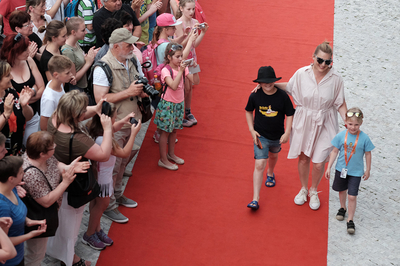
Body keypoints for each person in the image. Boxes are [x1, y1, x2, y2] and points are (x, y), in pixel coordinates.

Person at [269, 41, 348, 210]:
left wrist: (347, 120)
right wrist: (269, 84)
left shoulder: (336, 79)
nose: (323, 65)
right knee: (304, 158)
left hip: (325, 121)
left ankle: (313, 190)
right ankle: (303, 188)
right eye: (320, 60)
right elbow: (289, 88)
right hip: (304, 120)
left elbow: (340, 103)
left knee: (319, 162)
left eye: (328, 62)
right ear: (313, 58)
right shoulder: (301, 73)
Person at [45, 90, 112, 266]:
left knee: (60, 222)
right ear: (76, 115)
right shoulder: (78, 139)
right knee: (71, 227)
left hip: (54, 178)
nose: (86, 112)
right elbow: (104, 154)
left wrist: (96, 108)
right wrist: (108, 128)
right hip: (73, 186)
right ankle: (71, 260)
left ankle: (56, 251)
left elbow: (78, 114)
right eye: (84, 110)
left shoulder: (55, 118)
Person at [93, 28, 144, 223]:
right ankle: (109, 205)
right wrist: (128, 91)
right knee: (111, 167)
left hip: (131, 118)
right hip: (115, 124)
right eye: (128, 44)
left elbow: (139, 79)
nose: (133, 47)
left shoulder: (131, 59)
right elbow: (101, 99)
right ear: (115, 46)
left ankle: (116, 194)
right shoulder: (102, 67)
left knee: (123, 162)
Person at [22, 131, 90, 266]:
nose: (55, 146)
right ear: (42, 153)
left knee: (39, 251)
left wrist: (68, 168)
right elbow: (46, 201)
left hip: (50, 212)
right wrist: (65, 182)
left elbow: (56, 164)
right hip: (39, 218)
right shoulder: (31, 173)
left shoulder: (43, 157)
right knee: (35, 254)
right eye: (52, 147)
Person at [84, 104, 141, 250]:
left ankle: (96, 229)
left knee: (96, 205)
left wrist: (124, 121)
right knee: (102, 206)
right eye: (116, 116)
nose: (117, 119)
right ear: (109, 119)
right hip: (103, 179)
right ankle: (90, 234)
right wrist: (133, 134)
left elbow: (112, 128)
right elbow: (124, 153)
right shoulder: (106, 141)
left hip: (99, 176)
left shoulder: (96, 129)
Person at [245, 66, 295, 210]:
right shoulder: (255, 95)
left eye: (270, 81)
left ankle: (271, 173)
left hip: (277, 136)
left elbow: (290, 113)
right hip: (261, 136)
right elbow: (248, 111)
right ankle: (255, 199)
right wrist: (251, 130)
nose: (267, 84)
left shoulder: (282, 96)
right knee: (260, 164)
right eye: (264, 82)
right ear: (259, 83)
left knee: (273, 156)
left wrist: (287, 132)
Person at [325, 107, 374, 234]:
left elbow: (368, 154)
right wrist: (329, 167)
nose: (353, 127)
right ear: (345, 121)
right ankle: (342, 207)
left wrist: (368, 169)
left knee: (352, 196)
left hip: (356, 172)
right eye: (350, 124)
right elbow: (335, 151)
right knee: (342, 190)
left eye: (356, 124)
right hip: (341, 169)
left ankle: (350, 220)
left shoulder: (364, 138)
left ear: (361, 123)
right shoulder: (341, 135)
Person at [154, 42, 200, 170]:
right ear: (169, 57)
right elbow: (173, 85)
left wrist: (195, 69)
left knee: (174, 130)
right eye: (178, 57)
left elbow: (196, 81)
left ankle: (171, 154)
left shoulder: (183, 68)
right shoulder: (165, 70)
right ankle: (162, 159)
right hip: (168, 104)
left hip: (179, 103)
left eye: (181, 56)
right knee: (165, 133)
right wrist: (180, 71)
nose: (180, 59)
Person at [0, 156, 47, 266]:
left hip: (19, 254)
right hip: (10, 261)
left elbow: (15, 212)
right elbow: (4, 242)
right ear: (11, 178)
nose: (24, 174)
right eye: (21, 172)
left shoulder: (12, 188)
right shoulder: (3, 206)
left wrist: (28, 221)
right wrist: (30, 235)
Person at [0, 33, 45, 146]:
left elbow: (41, 88)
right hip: (13, 120)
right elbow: (15, 99)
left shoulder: (29, 60)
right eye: (24, 49)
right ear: (14, 51)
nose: (28, 52)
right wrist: (32, 90)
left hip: (32, 115)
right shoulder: (4, 69)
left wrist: (31, 94)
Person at [174, 0, 209, 127]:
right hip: (181, 60)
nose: (192, 12)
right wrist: (189, 36)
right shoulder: (178, 24)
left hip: (193, 59)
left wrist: (203, 33)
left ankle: (187, 110)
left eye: (193, 9)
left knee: (192, 83)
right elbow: (179, 47)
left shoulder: (195, 22)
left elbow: (195, 45)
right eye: (188, 9)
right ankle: (179, 113)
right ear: (181, 8)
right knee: (185, 88)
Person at [0, 60, 34, 156]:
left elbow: (29, 116)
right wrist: (6, 114)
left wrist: (25, 106)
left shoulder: (11, 92)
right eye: (7, 76)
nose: (12, 77)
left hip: (17, 151)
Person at [62, 17, 98, 92]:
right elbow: (73, 78)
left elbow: (80, 60)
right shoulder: (67, 51)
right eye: (83, 30)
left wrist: (90, 55)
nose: (86, 32)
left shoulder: (76, 43)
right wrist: (88, 63)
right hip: (76, 90)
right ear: (73, 32)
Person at [40, 55, 74, 131]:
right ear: (56, 75)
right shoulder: (49, 98)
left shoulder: (59, 83)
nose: (71, 75)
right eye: (67, 73)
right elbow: (44, 126)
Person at [39, 20, 69, 85]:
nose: (67, 38)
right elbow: (54, 85)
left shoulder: (59, 48)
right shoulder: (47, 58)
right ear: (54, 38)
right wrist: (67, 78)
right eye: (63, 36)